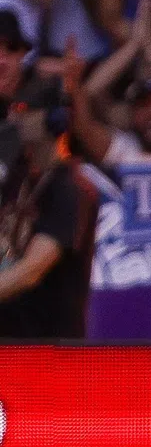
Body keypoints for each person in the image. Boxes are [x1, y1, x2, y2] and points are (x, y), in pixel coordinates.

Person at [0, 74, 98, 340]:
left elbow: (32, 270)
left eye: (22, 111)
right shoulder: (17, 178)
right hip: (11, 342)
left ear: (53, 119)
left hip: (51, 348)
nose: (14, 120)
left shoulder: (72, 189)